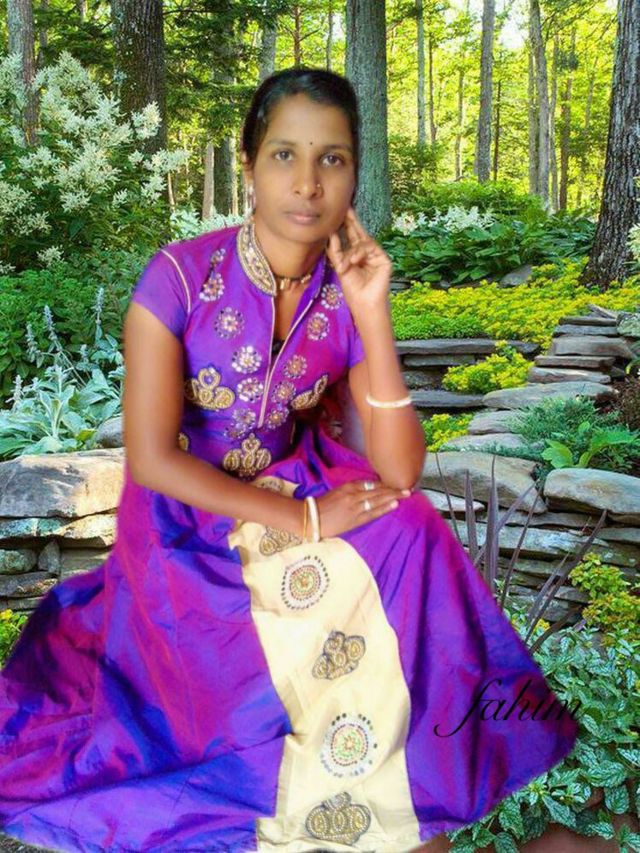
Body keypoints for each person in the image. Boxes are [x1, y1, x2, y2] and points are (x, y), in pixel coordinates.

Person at [0, 67, 578, 853]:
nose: (308, 183)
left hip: (286, 490)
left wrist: (373, 313)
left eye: (332, 159)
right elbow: (150, 459)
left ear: (355, 173)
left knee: (410, 525)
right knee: (329, 579)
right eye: (284, 155)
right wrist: (304, 518)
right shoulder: (178, 279)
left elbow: (400, 470)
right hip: (183, 522)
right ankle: (336, 797)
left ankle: (408, 786)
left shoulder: (342, 293)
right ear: (248, 163)